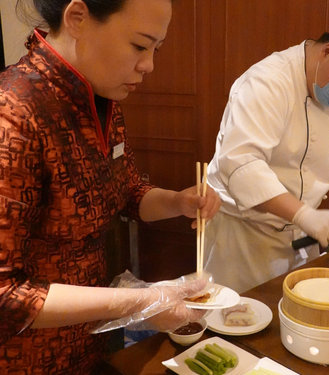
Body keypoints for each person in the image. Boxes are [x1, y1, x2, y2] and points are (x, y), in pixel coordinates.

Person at [0, 0, 221, 373]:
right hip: (30, 359)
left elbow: (126, 192)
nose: (149, 64)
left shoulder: (99, 97)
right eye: (139, 46)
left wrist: (177, 201)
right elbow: (5, 297)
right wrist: (140, 303)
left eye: (156, 49)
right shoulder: (13, 115)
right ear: (77, 19)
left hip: (94, 341)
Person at [204, 13, 329, 293]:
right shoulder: (267, 83)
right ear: (328, 51)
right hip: (243, 238)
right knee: (238, 321)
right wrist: (304, 215)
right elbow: (242, 164)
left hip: (297, 237)